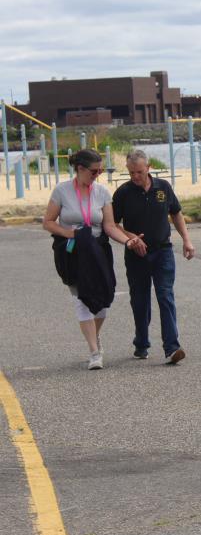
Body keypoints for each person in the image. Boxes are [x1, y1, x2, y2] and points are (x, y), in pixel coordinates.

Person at [42, 149, 142, 370]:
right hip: (72, 251)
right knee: (82, 299)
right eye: (94, 171)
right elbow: (48, 222)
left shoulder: (102, 192)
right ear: (80, 169)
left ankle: (94, 337)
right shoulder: (62, 191)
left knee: (104, 300)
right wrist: (71, 234)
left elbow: (109, 226)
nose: (97, 175)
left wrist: (127, 241)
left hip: (97, 250)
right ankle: (94, 352)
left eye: (100, 171)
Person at [112, 149, 194, 364]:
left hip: (163, 251)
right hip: (136, 255)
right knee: (140, 300)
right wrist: (131, 238)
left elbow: (176, 213)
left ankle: (172, 347)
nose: (135, 176)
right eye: (131, 172)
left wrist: (186, 240)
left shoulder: (163, 187)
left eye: (139, 172)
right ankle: (141, 343)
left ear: (148, 168)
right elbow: (112, 224)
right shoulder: (123, 193)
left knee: (165, 295)